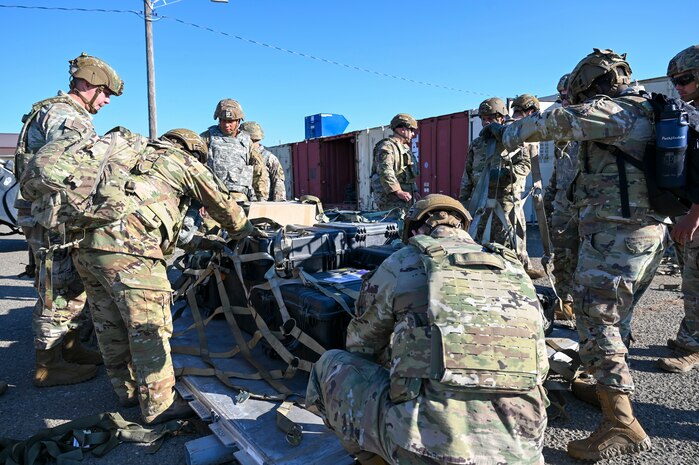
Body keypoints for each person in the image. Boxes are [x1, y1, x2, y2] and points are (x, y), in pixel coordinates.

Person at [484, 48, 666, 461]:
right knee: (616, 320)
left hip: (616, 239)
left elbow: (555, 122)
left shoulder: (619, 112)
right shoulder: (652, 109)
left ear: (591, 85)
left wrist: (507, 132)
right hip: (644, 236)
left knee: (597, 321)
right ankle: (603, 385)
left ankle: (620, 422)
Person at [307, 194, 549, 465]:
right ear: (462, 227)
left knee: (330, 365)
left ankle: (375, 456)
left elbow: (361, 347)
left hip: (425, 452)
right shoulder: (515, 270)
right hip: (522, 452)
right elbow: (540, 367)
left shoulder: (403, 262)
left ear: (413, 230)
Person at [68, 128, 255, 424]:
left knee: (109, 323)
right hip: (132, 251)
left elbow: (162, 224)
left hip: (85, 247)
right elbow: (222, 203)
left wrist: (205, 243)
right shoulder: (180, 160)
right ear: (193, 150)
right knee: (149, 326)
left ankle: (126, 391)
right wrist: (244, 233)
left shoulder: (129, 157)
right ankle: (159, 405)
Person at [13, 52, 123, 387]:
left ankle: (70, 347)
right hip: (54, 219)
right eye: (104, 92)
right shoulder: (67, 117)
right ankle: (48, 365)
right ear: (88, 83)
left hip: (53, 216)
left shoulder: (55, 111)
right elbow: (73, 174)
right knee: (55, 290)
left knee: (71, 287)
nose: (105, 100)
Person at [460, 98, 537, 277]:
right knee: (478, 245)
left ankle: (515, 277)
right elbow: (468, 173)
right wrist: (463, 201)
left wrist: (506, 174)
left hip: (505, 202)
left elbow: (525, 165)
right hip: (480, 203)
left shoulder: (512, 139)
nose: (486, 122)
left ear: (501, 118)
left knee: (509, 245)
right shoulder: (477, 144)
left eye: (491, 118)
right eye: (483, 118)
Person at [657, 44, 699, 373]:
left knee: (696, 282)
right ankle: (690, 333)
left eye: (684, 78)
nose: (679, 86)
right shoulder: (691, 111)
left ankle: (693, 346)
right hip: (686, 208)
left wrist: (694, 215)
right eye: (674, 80)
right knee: (690, 278)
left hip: (695, 213)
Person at [543, 75, 579, 320]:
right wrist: (548, 199)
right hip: (564, 207)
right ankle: (565, 301)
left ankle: (583, 304)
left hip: (588, 207)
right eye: (560, 97)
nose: (562, 102)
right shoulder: (564, 131)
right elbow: (558, 169)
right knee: (563, 256)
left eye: (566, 96)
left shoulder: (596, 125)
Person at [200, 99, 268, 202]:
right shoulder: (207, 137)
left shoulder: (246, 141)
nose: (226, 125)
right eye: (223, 120)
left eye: (230, 121)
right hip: (212, 196)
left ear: (238, 121)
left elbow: (258, 169)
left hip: (239, 197)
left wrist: (262, 197)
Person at [370, 113, 419, 213]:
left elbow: (408, 174)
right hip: (391, 199)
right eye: (411, 130)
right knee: (394, 225)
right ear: (402, 130)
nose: (413, 134)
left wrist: (415, 191)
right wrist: (398, 191)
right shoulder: (387, 147)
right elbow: (385, 171)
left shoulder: (405, 148)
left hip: (405, 197)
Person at [241, 121, 286, 201]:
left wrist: (278, 204)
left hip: (262, 205)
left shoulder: (269, 158)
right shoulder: (240, 156)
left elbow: (278, 183)